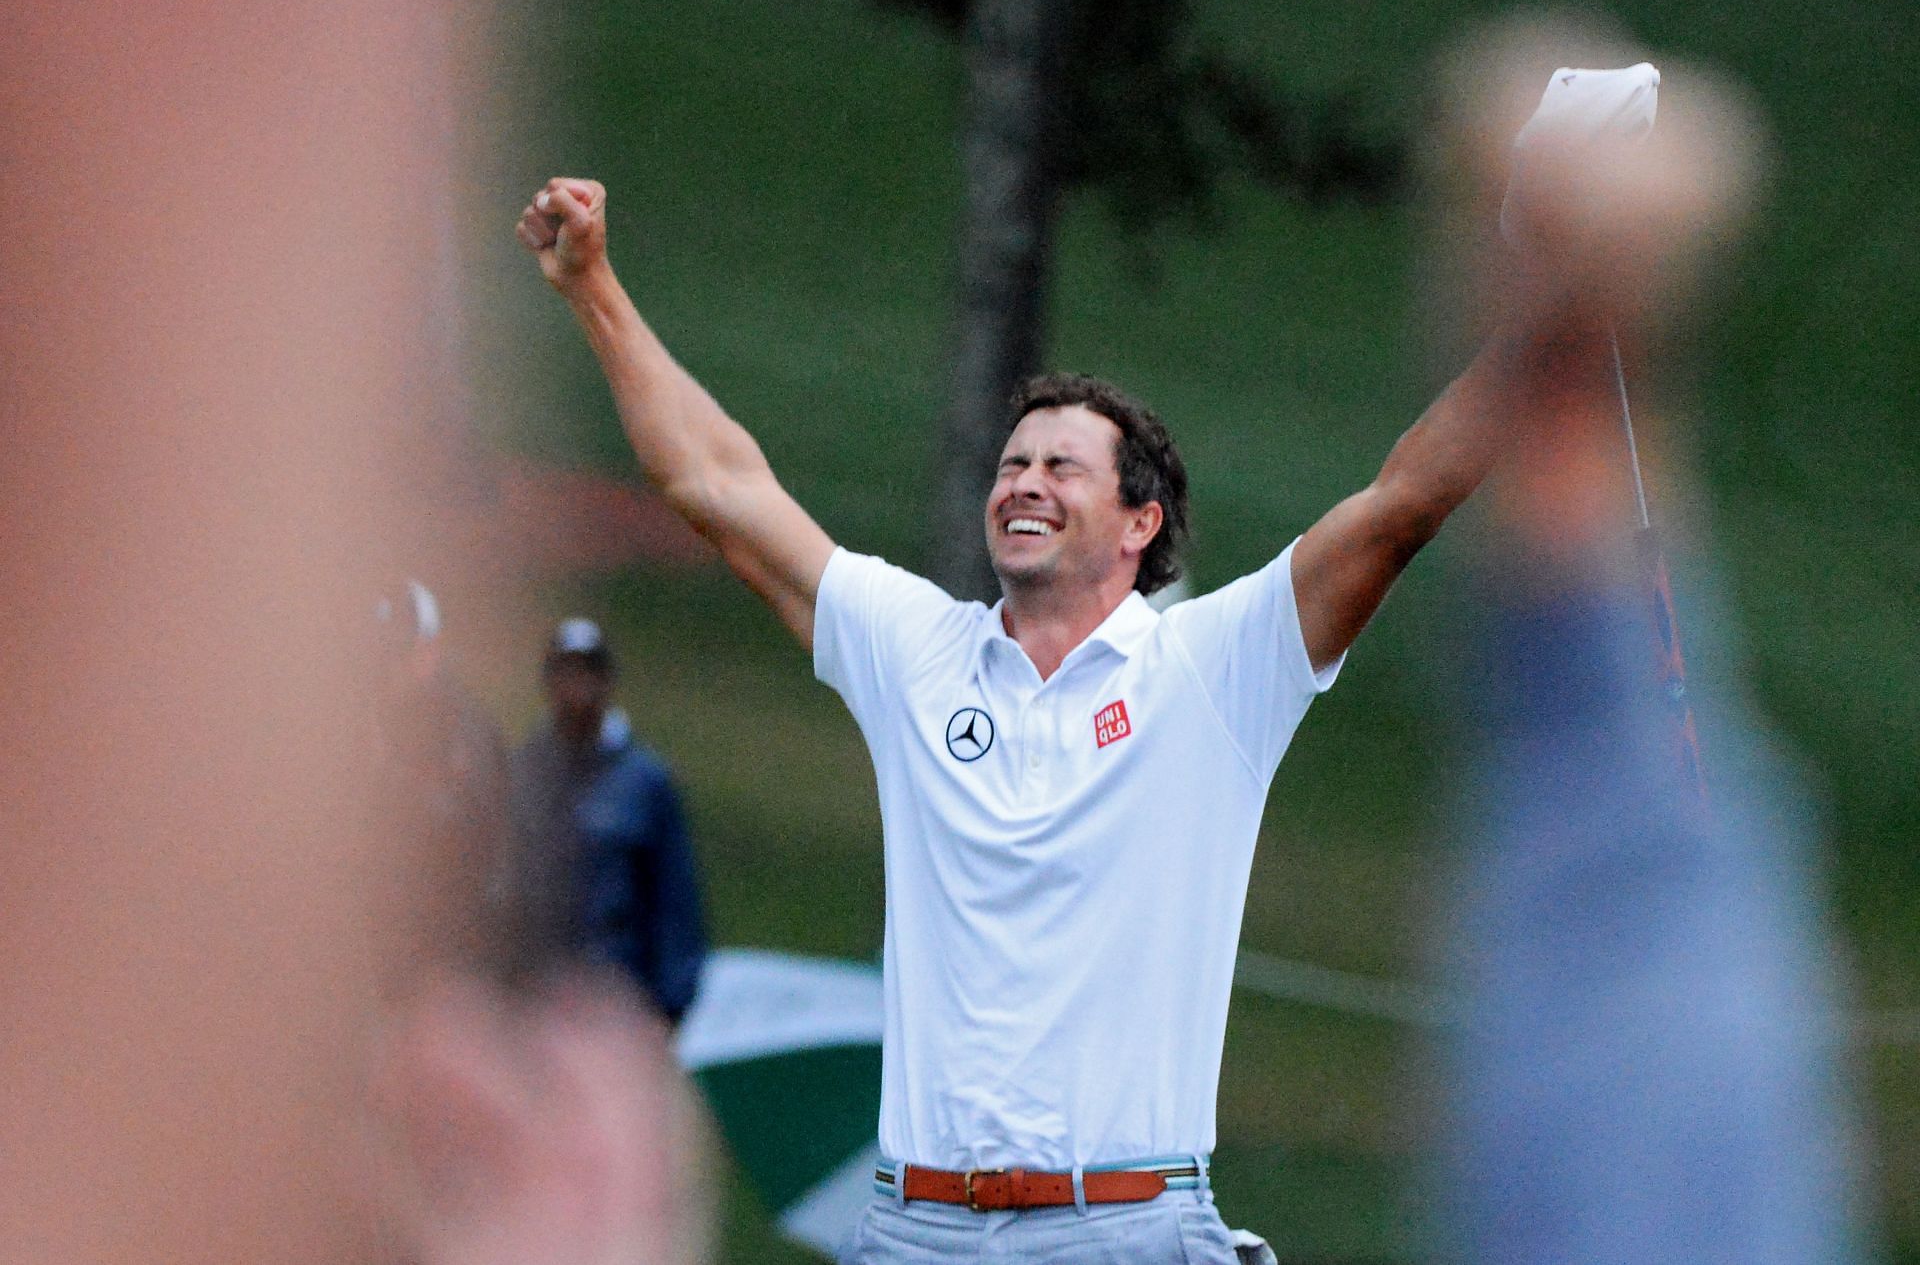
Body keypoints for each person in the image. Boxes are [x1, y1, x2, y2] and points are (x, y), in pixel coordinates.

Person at [514, 176, 1537, 1263]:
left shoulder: (1214, 666)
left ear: (1142, 521)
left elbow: (1403, 503)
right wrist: (593, 290)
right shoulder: (915, 648)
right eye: (1011, 463)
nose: (1023, 482)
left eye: (1061, 465)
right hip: (914, 1227)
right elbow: (714, 480)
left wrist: (1549, 320)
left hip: (1128, 1224)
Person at [503, 617, 707, 1025]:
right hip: (536, 995)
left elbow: (673, 897)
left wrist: (671, 1004)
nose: (576, 689)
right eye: (565, 674)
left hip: (617, 996)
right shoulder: (524, 771)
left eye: (587, 674)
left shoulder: (644, 781)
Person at [372, 578, 513, 981]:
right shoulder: (375, 721)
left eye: (401, 653)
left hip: (449, 952)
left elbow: (473, 839)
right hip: (390, 950)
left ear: (430, 651)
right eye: (383, 655)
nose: (390, 669)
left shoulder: (463, 729)